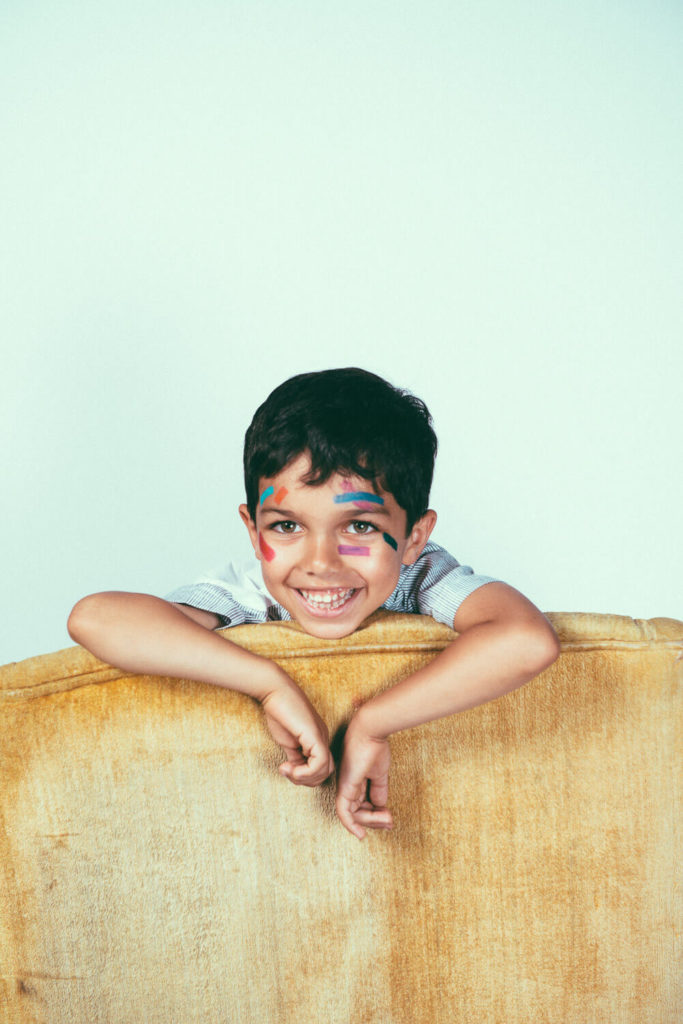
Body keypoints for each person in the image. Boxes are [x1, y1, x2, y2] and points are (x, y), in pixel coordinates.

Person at [68, 367, 560, 840]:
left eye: (360, 527)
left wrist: (372, 723)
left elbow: (525, 640)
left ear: (413, 537)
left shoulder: (422, 576)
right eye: (286, 526)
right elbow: (96, 618)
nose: (320, 562)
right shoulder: (248, 592)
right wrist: (268, 685)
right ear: (252, 529)